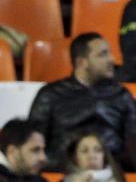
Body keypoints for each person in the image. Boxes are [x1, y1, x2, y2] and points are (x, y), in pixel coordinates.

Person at [28, 33, 136, 172]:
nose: (112, 59)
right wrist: (73, 163)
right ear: (81, 62)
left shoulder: (121, 95)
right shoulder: (50, 95)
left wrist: (106, 164)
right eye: (103, 54)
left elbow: (133, 146)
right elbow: (33, 146)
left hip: (110, 177)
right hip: (63, 175)